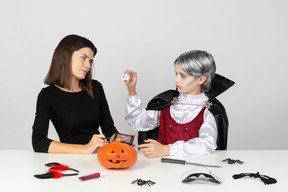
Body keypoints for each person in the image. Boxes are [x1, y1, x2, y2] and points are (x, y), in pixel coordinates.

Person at [124, 50, 222, 158]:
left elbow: (207, 144)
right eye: (176, 74)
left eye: (182, 76)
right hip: (163, 168)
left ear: (201, 79)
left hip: (194, 169)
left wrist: (167, 149)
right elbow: (137, 121)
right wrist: (132, 91)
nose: (176, 80)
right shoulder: (167, 102)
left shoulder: (208, 110)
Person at [32, 34, 118, 154]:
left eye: (90, 61)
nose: (88, 65)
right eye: (83, 58)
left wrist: (121, 140)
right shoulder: (47, 96)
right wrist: (85, 148)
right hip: (71, 159)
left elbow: (109, 130)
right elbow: (38, 142)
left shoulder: (95, 87)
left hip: (98, 157)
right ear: (65, 57)